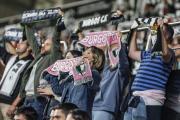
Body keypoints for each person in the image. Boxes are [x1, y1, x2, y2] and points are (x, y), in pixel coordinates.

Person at [123, 18, 175, 120]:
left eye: (158, 29)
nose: (154, 30)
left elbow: (163, 53)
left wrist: (159, 27)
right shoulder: (148, 53)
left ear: (166, 36)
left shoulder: (169, 53)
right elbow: (131, 53)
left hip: (150, 100)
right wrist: (134, 29)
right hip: (135, 99)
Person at [19, 9, 65, 120]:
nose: (43, 45)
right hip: (26, 100)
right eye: (43, 44)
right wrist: (27, 25)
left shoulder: (53, 58)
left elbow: (55, 39)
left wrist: (60, 20)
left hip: (38, 102)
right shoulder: (39, 56)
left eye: (48, 44)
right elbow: (33, 41)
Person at [43, 46, 105, 117]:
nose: (83, 53)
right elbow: (58, 90)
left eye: (88, 52)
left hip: (79, 116)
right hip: (67, 115)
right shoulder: (72, 76)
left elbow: (88, 79)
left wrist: (78, 65)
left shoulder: (94, 74)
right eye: (84, 52)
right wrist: (55, 71)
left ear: (94, 58)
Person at [92, 10, 130, 120]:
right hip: (90, 109)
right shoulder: (99, 69)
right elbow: (108, 47)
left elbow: (123, 62)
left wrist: (119, 43)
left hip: (105, 111)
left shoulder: (120, 73)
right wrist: (115, 25)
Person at [37, 50, 82, 120]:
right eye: (65, 58)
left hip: (60, 113)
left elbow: (57, 90)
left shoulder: (74, 78)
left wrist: (53, 72)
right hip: (50, 109)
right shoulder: (63, 75)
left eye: (68, 58)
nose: (64, 60)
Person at [0, 39, 33, 120]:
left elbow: (25, 87)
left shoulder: (30, 63)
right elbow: (1, 51)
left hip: (10, 105)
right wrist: (7, 40)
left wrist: (14, 105)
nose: (17, 44)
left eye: (22, 43)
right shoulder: (12, 58)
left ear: (29, 47)